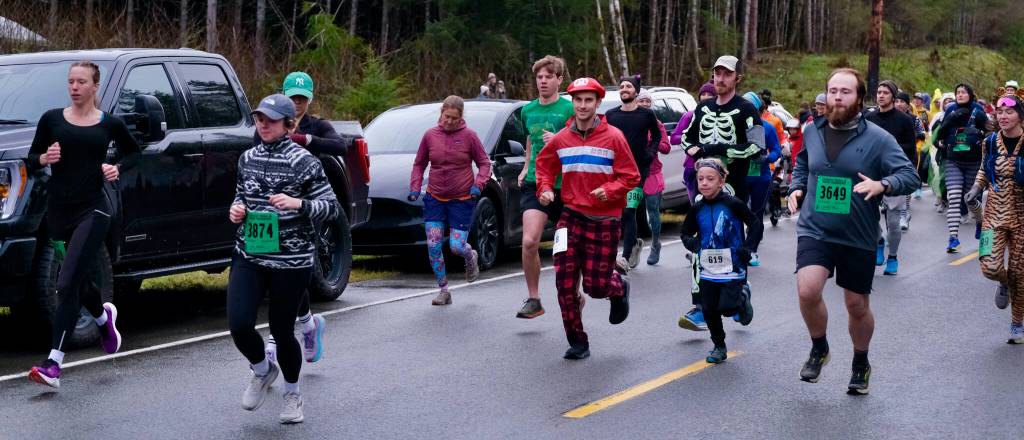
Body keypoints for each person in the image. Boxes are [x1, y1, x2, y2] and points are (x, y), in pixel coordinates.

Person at [788, 68, 919, 395]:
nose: (837, 96)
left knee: (856, 304)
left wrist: (883, 184)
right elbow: (803, 164)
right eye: (833, 90)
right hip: (815, 227)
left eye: (845, 91)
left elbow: (909, 175)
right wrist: (798, 187)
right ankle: (820, 347)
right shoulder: (812, 131)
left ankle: (861, 361)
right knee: (807, 289)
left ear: (859, 98)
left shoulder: (878, 138)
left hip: (856, 234)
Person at [26, 61, 140, 388]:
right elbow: (33, 158)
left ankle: (53, 365)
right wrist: (44, 159)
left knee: (65, 283)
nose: (74, 87)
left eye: (81, 81)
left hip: (93, 211)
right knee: (77, 277)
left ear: (94, 87)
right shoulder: (51, 120)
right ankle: (105, 320)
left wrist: (116, 167)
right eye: (71, 81)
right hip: (58, 215)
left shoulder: (109, 124)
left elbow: (134, 153)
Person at [227, 94, 340, 423]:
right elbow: (241, 194)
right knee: (238, 324)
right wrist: (237, 210)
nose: (263, 125)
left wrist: (298, 205)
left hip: (292, 261)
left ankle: (293, 395)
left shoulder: (304, 161)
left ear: (289, 124)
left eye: (271, 120)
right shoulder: (247, 157)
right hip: (250, 252)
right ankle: (263, 370)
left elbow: (331, 207)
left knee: (280, 327)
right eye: (260, 119)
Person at [534, 77, 640, 360]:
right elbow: (544, 166)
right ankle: (578, 341)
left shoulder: (614, 137)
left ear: (597, 103)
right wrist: (544, 189)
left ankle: (617, 287)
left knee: (595, 287)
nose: (582, 105)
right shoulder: (561, 138)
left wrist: (609, 190)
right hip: (570, 219)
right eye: (578, 100)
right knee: (564, 285)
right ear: (573, 102)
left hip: (605, 221)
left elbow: (631, 176)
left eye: (588, 100)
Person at [261, 71, 346, 365]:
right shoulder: (270, 123)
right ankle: (307, 323)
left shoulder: (316, 125)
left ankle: (275, 343)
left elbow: (340, 146)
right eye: (292, 97)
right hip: (271, 208)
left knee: (292, 269)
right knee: (274, 270)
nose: (296, 104)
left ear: (309, 100)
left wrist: (308, 139)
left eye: (302, 99)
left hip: (304, 207)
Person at [678, 55, 764, 331]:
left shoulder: (747, 109)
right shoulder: (702, 109)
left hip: (734, 186)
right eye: (717, 73)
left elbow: (757, 146)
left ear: (737, 78)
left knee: (731, 240)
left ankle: (739, 292)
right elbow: (685, 136)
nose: (721, 78)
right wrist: (698, 153)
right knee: (701, 239)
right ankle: (700, 305)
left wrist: (723, 151)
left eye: (727, 74)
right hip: (704, 185)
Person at [408, 96, 490, 305]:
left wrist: (478, 185)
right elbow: (419, 164)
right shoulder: (430, 136)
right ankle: (444, 290)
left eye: (454, 118)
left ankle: (470, 255)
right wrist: (415, 187)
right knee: (434, 245)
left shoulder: (470, 136)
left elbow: (484, 164)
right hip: (435, 198)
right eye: (447, 117)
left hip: (462, 199)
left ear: (461, 117)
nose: (450, 122)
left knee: (456, 246)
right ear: (441, 113)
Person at [681, 158, 761, 363]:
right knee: (709, 309)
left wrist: (748, 248)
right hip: (707, 268)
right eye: (700, 179)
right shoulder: (697, 208)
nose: (704, 183)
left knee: (727, 308)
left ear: (722, 181)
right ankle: (719, 346)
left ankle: (742, 297)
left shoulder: (733, 204)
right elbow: (686, 233)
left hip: (733, 266)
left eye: (710, 179)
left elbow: (755, 224)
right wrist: (694, 245)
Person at [516, 55, 574, 319]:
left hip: (566, 184)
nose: (543, 81)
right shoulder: (528, 110)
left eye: (548, 77)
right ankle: (534, 298)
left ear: (559, 80)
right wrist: (527, 166)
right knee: (529, 242)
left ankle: (574, 294)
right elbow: (531, 139)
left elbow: (581, 138)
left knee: (569, 248)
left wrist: (561, 138)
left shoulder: (569, 109)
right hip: (536, 183)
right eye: (539, 77)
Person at [966, 95, 1024, 343]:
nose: (1002, 116)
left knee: (1021, 274)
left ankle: (1017, 323)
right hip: (994, 213)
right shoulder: (989, 142)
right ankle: (1003, 281)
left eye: (1008, 112)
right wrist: (977, 188)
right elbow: (983, 168)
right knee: (989, 266)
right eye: (999, 112)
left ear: (1020, 116)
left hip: (1022, 215)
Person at [605, 74, 662, 271]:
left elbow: (657, 135)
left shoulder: (646, 114)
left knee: (628, 211)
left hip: (639, 171)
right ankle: (633, 243)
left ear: (636, 91)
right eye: (621, 86)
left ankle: (625, 257)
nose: (624, 89)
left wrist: (650, 153)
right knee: (621, 213)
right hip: (616, 171)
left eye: (628, 86)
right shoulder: (611, 115)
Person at [863, 80, 917, 275]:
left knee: (893, 222)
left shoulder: (904, 120)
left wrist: (909, 172)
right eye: (878, 92)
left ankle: (892, 257)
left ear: (893, 97)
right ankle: (878, 241)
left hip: (895, 175)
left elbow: (911, 149)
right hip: (871, 174)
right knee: (868, 216)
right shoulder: (868, 118)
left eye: (885, 92)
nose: (881, 95)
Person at [936, 83, 987, 253]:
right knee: (954, 197)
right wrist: (951, 118)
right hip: (954, 161)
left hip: (974, 162)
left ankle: (980, 222)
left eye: (963, 92)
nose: (960, 95)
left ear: (970, 95)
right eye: (957, 92)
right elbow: (940, 135)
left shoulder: (978, 110)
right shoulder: (950, 110)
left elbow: (990, 134)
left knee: (970, 199)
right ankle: (953, 238)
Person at [741, 91, 781, 266]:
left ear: (759, 110)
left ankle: (752, 251)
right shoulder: (736, 127)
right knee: (737, 213)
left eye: (752, 108)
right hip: (739, 176)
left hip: (760, 178)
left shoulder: (768, 127)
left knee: (756, 215)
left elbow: (776, 151)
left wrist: (766, 158)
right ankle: (739, 248)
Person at [637, 89, 672, 265]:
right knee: (630, 212)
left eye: (647, 101)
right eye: (641, 101)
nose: (644, 104)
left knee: (653, 210)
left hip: (651, 172)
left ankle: (655, 244)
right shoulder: (630, 121)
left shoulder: (656, 124)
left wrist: (654, 143)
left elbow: (666, 147)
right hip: (633, 174)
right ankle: (633, 246)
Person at [671, 81, 716, 206]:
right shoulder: (690, 115)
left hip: (716, 166)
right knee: (697, 206)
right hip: (692, 167)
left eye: (710, 94)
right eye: (703, 94)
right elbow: (674, 137)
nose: (706, 97)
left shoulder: (720, 117)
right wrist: (691, 140)